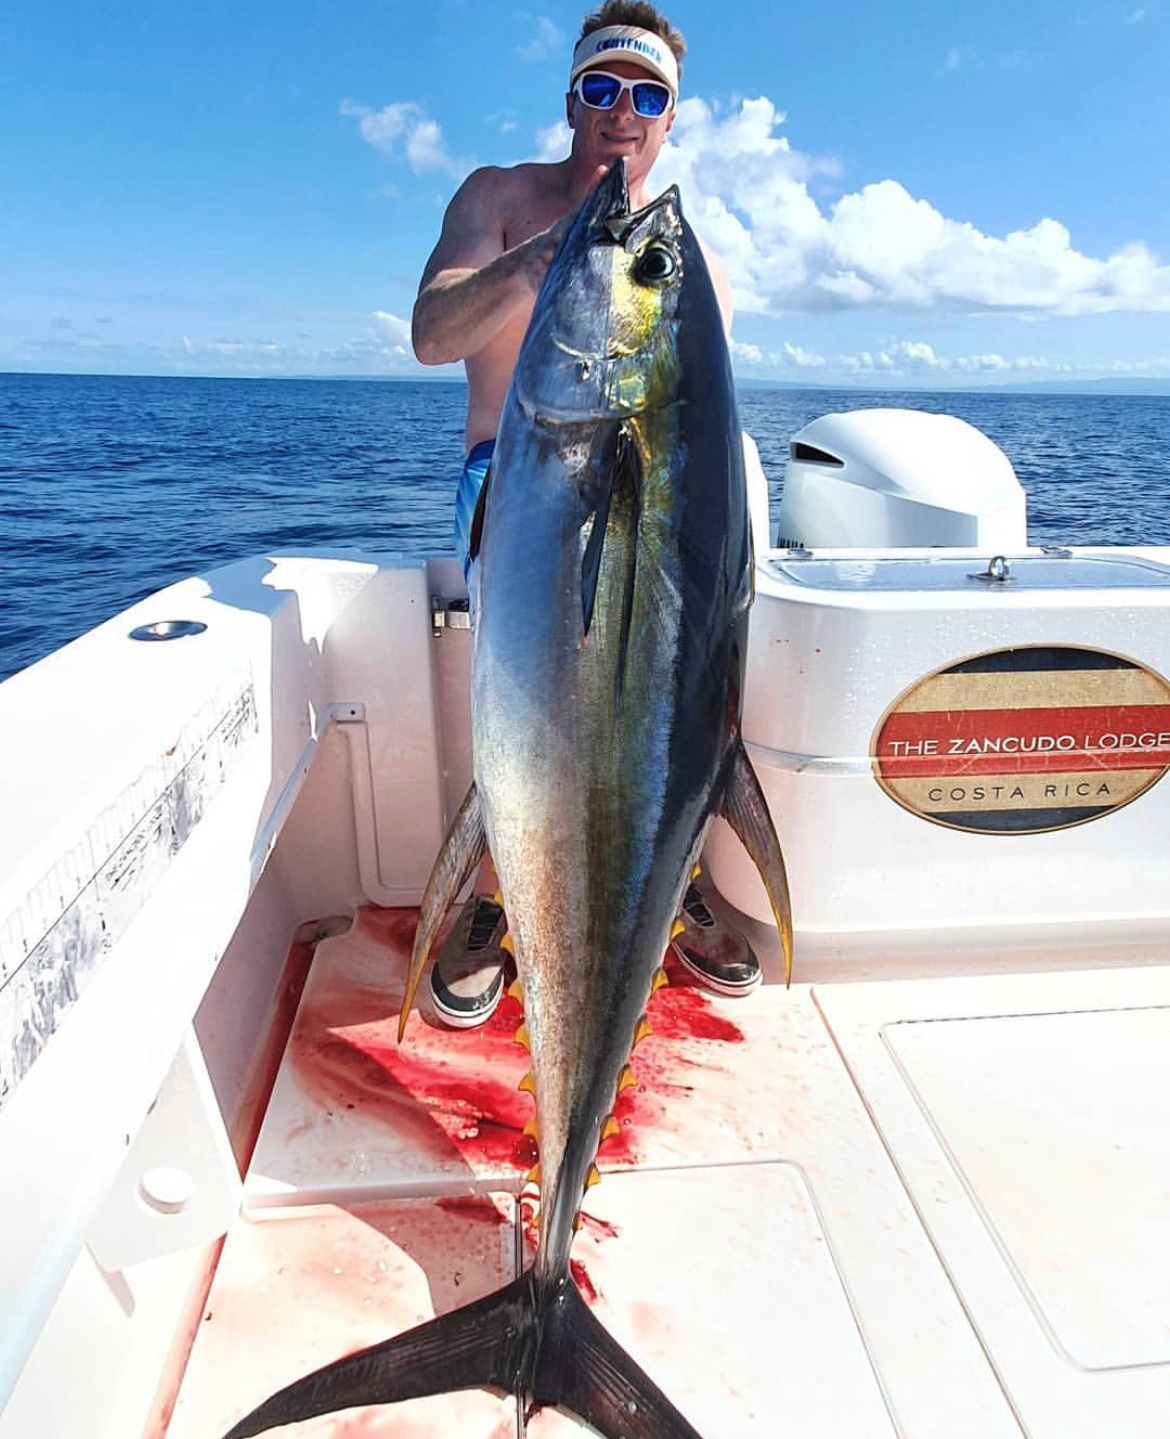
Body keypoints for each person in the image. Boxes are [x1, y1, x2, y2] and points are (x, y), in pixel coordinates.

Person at [412, 0, 760, 1027]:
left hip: (648, 508)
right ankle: (492, 897)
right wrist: (538, 261)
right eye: (603, 86)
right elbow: (433, 334)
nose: (622, 109)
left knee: (686, 676)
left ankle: (668, 867)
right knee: (531, 686)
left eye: (647, 94)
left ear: (671, 118)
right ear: (571, 97)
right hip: (517, 485)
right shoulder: (499, 199)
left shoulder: (691, 262)